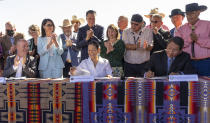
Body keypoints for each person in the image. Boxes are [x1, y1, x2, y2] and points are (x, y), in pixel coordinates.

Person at [175, 3, 210, 76]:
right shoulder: (180, 29)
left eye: (192, 13)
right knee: (188, 86)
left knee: (207, 85)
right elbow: (177, 45)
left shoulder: (208, 25)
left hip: (206, 62)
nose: (190, 16)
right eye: (187, 14)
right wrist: (190, 39)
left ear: (198, 13)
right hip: (187, 63)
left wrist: (198, 39)